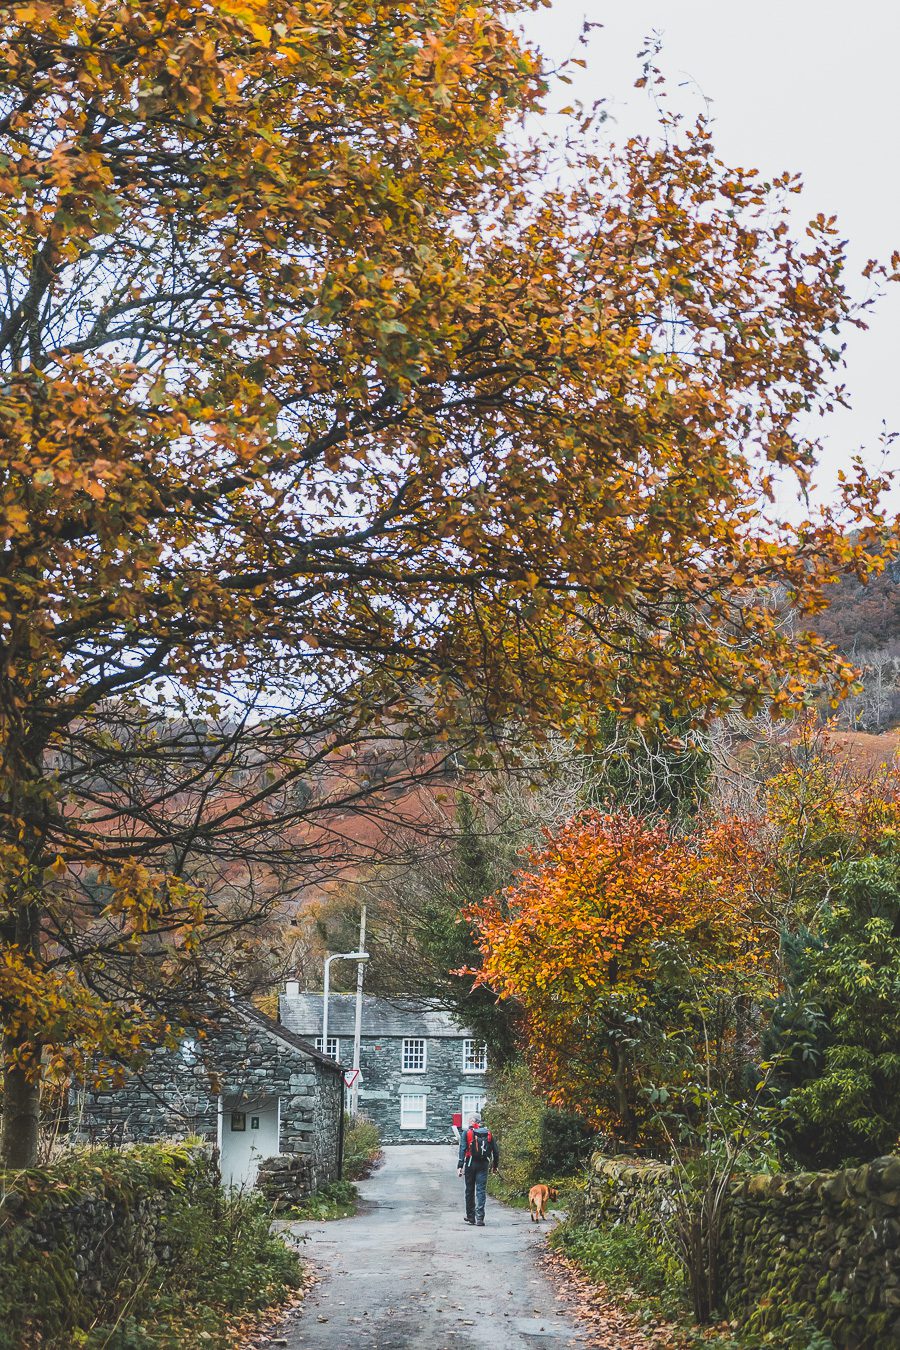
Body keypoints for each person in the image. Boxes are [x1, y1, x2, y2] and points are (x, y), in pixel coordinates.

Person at [457, 1114, 499, 1226]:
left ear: (472, 1121)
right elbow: (496, 1151)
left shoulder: (467, 1133)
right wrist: (495, 1166)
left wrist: (460, 1166)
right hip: (483, 1163)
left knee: (469, 1190)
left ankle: (471, 1217)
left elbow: (462, 1149)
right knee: (480, 1190)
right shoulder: (488, 1133)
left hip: (470, 1163)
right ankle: (480, 1218)